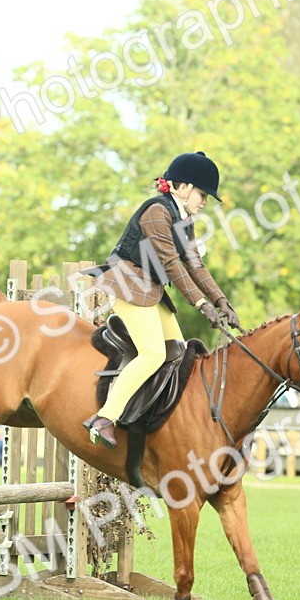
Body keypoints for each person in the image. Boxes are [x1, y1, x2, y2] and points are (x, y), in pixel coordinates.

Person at [83, 152, 238, 448]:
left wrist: (221, 301)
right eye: (202, 194)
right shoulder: (156, 211)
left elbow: (195, 265)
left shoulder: (185, 221)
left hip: (151, 290)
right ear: (182, 187)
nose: (205, 202)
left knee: (178, 352)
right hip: (129, 284)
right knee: (153, 354)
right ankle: (104, 417)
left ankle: (149, 419)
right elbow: (171, 263)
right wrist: (201, 304)